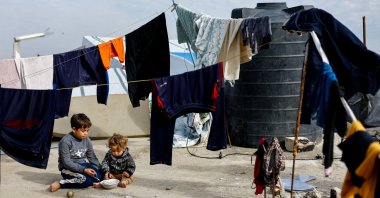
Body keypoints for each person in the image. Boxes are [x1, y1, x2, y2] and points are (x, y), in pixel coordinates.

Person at [50, 113, 102, 192]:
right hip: (68, 168)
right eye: (83, 131)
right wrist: (84, 170)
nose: (86, 133)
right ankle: (61, 183)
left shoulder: (87, 140)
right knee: (85, 180)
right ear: (74, 129)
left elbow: (92, 157)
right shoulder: (65, 142)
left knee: (100, 176)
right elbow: (66, 162)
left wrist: (100, 170)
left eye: (87, 130)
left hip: (83, 165)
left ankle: (90, 179)